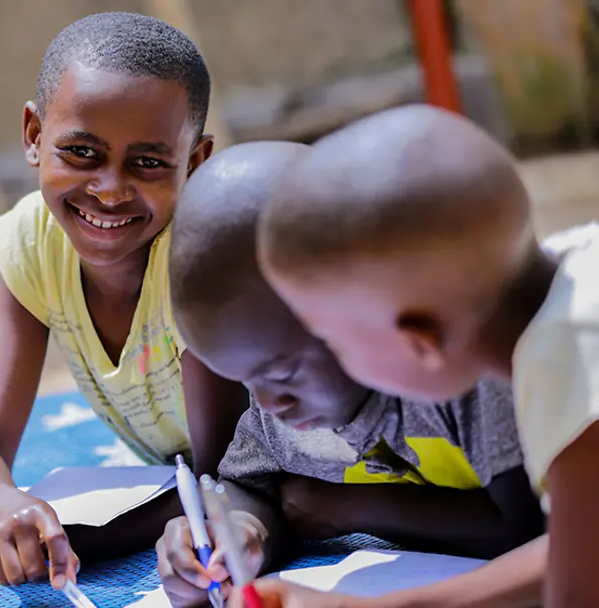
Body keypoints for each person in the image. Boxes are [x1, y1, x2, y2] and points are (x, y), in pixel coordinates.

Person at [0, 12, 249, 590]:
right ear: (33, 136)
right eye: (81, 152)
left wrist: (14, 550)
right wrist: (6, 510)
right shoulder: (33, 240)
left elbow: (228, 484)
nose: (109, 188)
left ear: (195, 164)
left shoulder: (198, 263)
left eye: (149, 162)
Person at [155, 141, 543, 607]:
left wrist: (345, 506)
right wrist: (240, 532)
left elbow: (528, 529)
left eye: (282, 371)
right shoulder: (279, 394)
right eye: (243, 380)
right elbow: (248, 486)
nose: (268, 403)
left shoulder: (461, 365)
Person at [245, 104, 599, 607]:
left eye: (334, 340)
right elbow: (575, 549)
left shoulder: (570, 368)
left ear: (419, 342)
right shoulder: (575, 275)